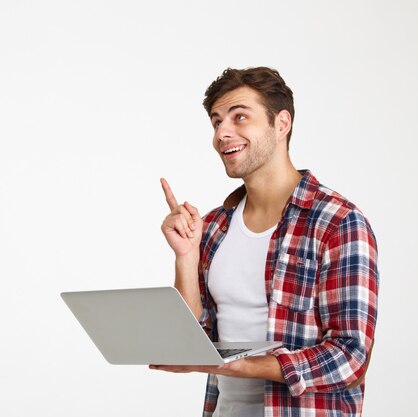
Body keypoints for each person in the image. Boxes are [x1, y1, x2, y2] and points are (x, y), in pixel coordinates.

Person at [149, 67, 379, 417]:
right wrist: (185, 256)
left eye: (239, 117)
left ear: (281, 123)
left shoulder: (337, 222)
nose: (223, 133)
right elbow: (193, 336)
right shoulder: (212, 227)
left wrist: (240, 365)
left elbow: (350, 357)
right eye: (216, 122)